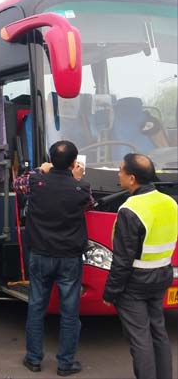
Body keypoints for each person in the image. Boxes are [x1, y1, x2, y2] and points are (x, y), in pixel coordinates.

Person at [13, 140, 93, 376]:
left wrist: (40, 170)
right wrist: (76, 179)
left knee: (36, 306)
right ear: (73, 163)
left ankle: (34, 359)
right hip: (69, 257)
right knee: (70, 312)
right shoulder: (81, 188)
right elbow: (89, 205)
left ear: (50, 159)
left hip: (40, 254)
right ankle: (65, 364)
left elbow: (16, 184)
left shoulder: (35, 182)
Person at [103, 153, 178, 379]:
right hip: (161, 276)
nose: (118, 174)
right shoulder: (170, 202)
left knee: (140, 339)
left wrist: (111, 292)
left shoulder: (131, 209)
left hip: (135, 283)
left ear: (132, 178)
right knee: (158, 332)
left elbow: (122, 260)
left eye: (120, 171)